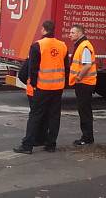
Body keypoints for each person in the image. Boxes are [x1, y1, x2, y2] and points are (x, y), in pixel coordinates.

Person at [14, 20, 68, 154]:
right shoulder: (63, 46)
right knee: (54, 116)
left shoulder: (37, 46)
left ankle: (28, 145)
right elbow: (66, 67)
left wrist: (34, 84)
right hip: (57, 88)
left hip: (42, 87)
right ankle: (50, 144)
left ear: (43, 30)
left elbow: (32, 68)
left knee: (35, 116)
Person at [68, 24, 97, 145]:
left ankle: (87, 138)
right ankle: (87, 136)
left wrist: (79, 77)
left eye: (72, 32)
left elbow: (87, 65)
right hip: (84, 83)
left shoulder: (84, 46)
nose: (70, 35)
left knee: (84, 111)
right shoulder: (82, 45)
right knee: (84, 110)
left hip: (84, 83)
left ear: (80, 33)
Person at [17, 58, 48, 146]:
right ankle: (42, 138)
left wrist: (29, 83)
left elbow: (22, 75)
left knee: (35, 116)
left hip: (32, 92)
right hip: (46, 90)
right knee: (44, 115)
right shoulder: (48, 59)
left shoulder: (31, 58)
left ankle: (32, 139)